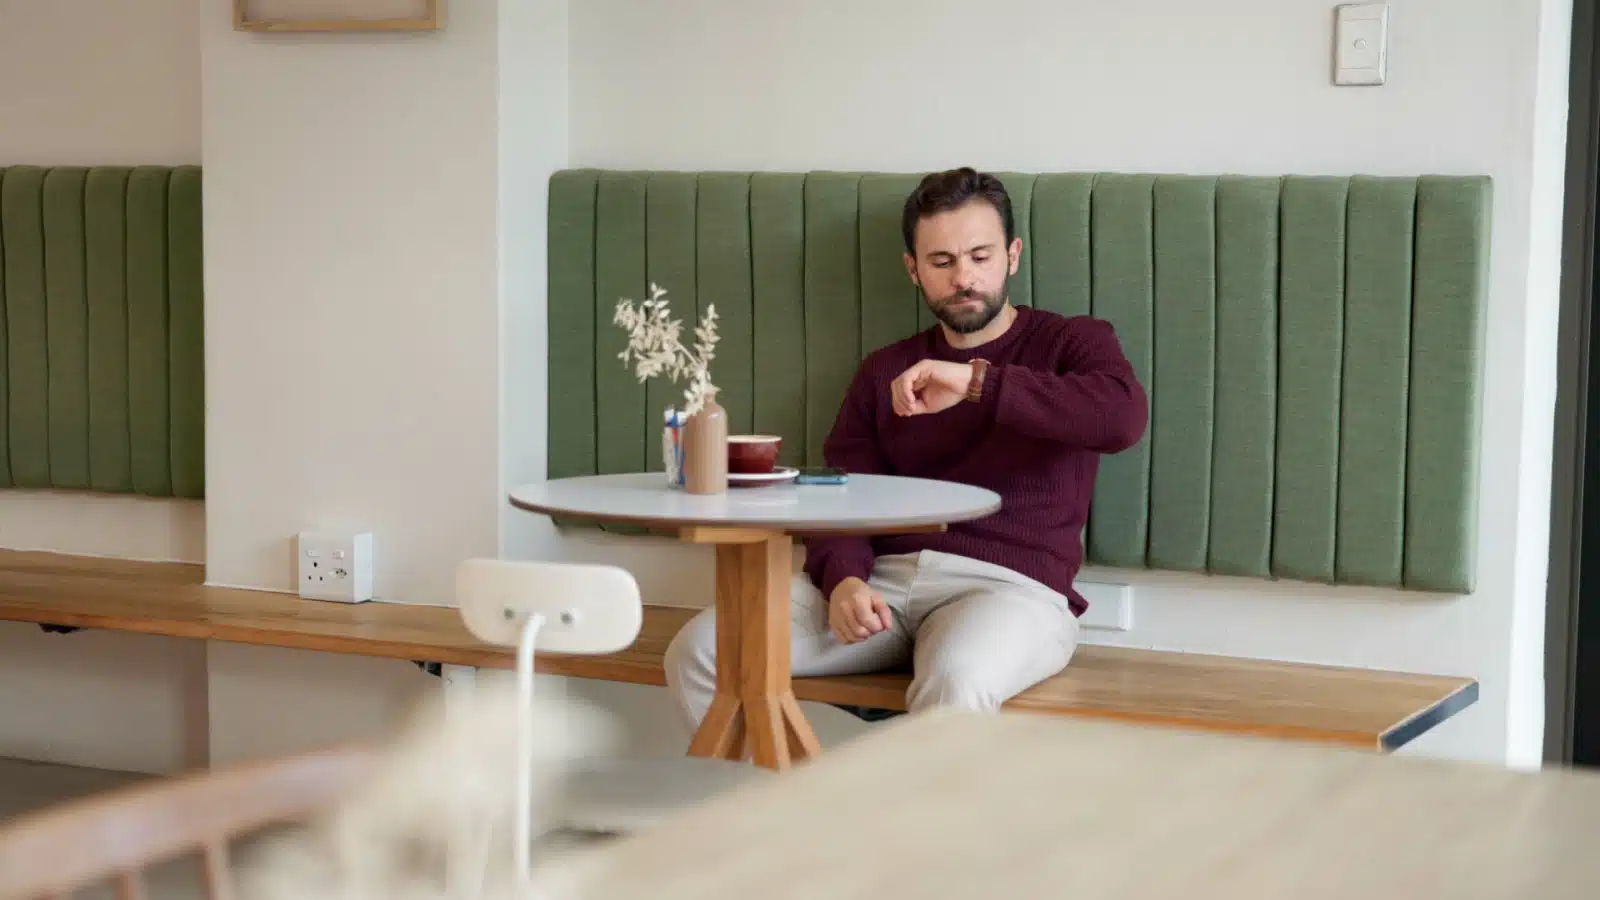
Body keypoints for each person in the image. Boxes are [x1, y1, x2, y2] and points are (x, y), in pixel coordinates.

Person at [662, 166, 1149, 730]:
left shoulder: (1073, 342)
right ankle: (767, 812)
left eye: (980, 256)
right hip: (880, 585)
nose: (964, 276)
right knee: (702, 651)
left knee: (958, 682)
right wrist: (844, 577)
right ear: (913, 269)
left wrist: (975, 382)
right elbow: (841, 491)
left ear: (1012, 255)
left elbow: (1122, 418)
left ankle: (929, 824)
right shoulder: (885, 371)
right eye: (942, 262)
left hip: (1009, 591)